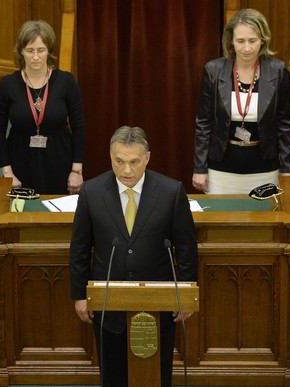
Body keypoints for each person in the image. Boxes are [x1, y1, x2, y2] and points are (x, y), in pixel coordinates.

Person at [69, 126, 198, 387]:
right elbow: (80, 249)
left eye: (134, 162)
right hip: (108, 305)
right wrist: (80, 295)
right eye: (119, 161)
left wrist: (184, 295)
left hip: (158, 306)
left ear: (147, 158)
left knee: (157, 375)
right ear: (110, 158)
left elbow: (186, 248)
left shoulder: (171, 192)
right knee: (112, 375)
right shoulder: (91, 193)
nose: (126, 170)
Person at [192, 8, 290, 194]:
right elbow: (204, 123)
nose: (246, 48)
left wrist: (288, 169)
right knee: (222, 220)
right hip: (221, 167)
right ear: (231, 40)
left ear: (263, 39)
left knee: (264, 220)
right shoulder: (213, 70)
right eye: (240, 41)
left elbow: (285, 124)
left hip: (264, 166)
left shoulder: (278, 70)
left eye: (252, 41)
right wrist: (200, 168)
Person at [0, 20, 85, 195]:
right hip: (21, 163)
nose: (35, 57)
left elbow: (79, 127)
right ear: (21, 52)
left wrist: (76, 170)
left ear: (49, 51)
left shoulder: (66, 82)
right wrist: (7, 172)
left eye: (40, 50)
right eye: (30, 50)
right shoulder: (7, 85)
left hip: (60, 161)